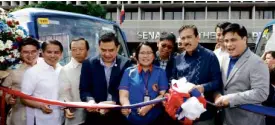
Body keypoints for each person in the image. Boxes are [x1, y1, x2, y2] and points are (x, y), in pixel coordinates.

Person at [214, 23, 269, 125]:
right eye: (226, 40)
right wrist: (217, 95)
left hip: (248, 120)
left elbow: (261, 93)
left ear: (244, 39)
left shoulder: (257, 62)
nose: (229, 44)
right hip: (225, 119)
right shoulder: (224, 59)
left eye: (233, 40)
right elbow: (222, 85)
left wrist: (230, 99)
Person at [172, 25, 222, 125]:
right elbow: (172, 80)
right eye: (183, 38)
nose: (186, 41)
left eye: (189, 37)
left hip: (203, 116)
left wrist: (202, 88)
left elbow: (218, 82)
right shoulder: (177, 59)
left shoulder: (210, 56)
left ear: (197, 37)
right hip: (182, 114)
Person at [79, 32, 132, 125]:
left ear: (118, 48)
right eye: (103, 50)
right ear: (99, 47)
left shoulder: (126, 64)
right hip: (95, 115)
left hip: (118, 116)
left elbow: (128, 89)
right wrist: (91, 101)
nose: (107, 54)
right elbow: (84, 89)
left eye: (111, 50)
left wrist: (113, 102)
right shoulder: (88, 64)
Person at [119, 42, 168, 125]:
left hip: (155, 118)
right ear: (137, 55)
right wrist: (126, 105)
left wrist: (149, 106)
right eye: (142, 53)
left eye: (149, 53)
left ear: (154, 55)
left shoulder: (160, 72)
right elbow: (123, 95)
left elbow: (162, 95)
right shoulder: (129, 72)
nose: (145, 56)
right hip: (131, 118)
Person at [21, 40, 63, 125]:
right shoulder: (32, 72)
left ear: (61, 54)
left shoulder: (62, 70)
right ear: (42, 53)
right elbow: (23, 98)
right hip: (41, 120)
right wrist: (40, 105)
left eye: (56, 52)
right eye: (49, 52)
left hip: (61, 119)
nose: (52, 55)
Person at [1, 38, 40, 125]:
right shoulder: (13, 71)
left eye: (33, 51)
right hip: (21, 115)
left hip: (45, 114)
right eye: (26, 52)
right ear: (20, 53)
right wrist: (8, 98)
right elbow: (2, 90)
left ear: (38, 51)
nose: (30, 55)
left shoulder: (47, 68)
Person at [58, 38, 89, 125]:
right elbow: (64, 93)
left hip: (94, 116)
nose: (77, 52)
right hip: (76, 117)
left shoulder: (93, 67)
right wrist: (66, 107)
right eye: (74, 50)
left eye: (81, 49)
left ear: (87, 51)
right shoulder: (66, 70)